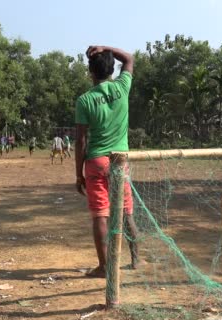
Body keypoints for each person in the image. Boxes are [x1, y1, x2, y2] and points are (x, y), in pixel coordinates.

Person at [75, 46, 143, 278]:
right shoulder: (122, 88)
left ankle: (105, 267)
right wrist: (105, 47)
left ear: (90, 72)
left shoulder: (85, 100)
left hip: (95, 162)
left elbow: (81, 141)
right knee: (126, 214)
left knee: (100, 215)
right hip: (119, 161)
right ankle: (135, 261)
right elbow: (130, 59)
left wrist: (78, 174)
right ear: (112, 69)